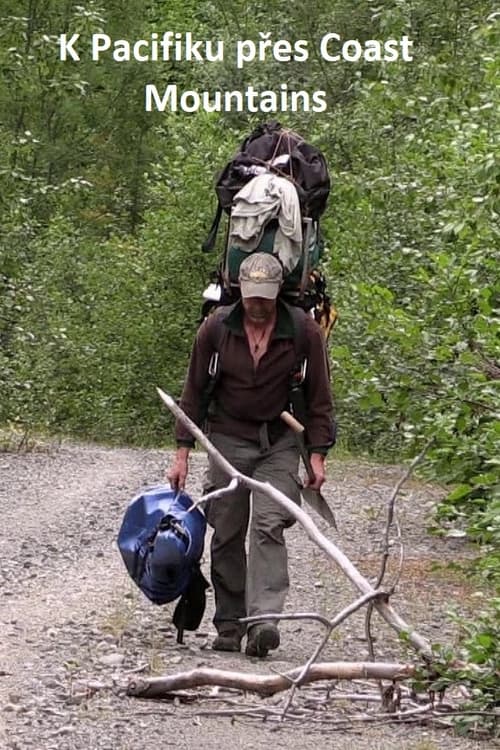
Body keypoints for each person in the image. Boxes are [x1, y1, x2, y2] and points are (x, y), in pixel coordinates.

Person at [167, 252, 335, 657]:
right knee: (225, 530)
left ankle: (263, 622)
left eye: (265, 297)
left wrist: (317, 455)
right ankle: (229, 624)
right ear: (240, 292)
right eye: (251, 297)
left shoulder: (303, 331)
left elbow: (319, 398)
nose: (257, 305)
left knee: (268, 525)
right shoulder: (216, 327)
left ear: (277, 293)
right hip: (226, 438)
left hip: (278, 442)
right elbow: (193, 393)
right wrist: (182, 453)